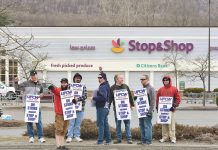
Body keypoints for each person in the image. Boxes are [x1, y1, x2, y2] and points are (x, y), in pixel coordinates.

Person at [15, 70, 45, 143]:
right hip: (27, 106)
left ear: (36, 75)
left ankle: (40, 137)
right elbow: (17, 88)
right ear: (30, 76)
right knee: (29, 122)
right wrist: (16, 82)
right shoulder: (26, 83)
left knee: (39, 122)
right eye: (32, 75)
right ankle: (31, 137)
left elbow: (41, 93)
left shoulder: (40, 84)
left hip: (37, 106)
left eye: (34, 75)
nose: (33, 76)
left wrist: (42, 95)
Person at [48, 78, 73, 150]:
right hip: (59, 113)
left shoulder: (69, 92)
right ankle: (58, 146)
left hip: (67, 113)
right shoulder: (58, 90)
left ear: (67, 84)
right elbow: (53, 89)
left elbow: (72, 100)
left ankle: (62, 145)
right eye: (62, 83)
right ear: (61, 83)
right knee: (59, 129)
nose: (64, 84)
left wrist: (74, 101)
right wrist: (51, 87)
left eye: (65, 83)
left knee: (64, 130)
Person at [109, 74, 134, 144]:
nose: (122, 79)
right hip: (117, 110)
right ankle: (118, 139)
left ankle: (129, 139)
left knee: (127, 124)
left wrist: (132, 105)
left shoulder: (125, 86)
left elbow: (130, 96)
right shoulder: (112, 88)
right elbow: (109, 99)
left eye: (122, 78)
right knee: (118, 124)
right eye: (121, 78)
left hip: (126, 109)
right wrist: (107, 107)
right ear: (116, 79)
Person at [156, 75, 181, 144]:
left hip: (171, 110)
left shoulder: (174, 89)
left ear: (169, 80)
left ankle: (173, 138)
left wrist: (174, 106)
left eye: (167, 80)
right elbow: (157, 99)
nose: (165, 81)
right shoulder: (160, 89)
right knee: (164, 125)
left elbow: (178, 98)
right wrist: (157, 108)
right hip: (163, 111)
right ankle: (164, 137)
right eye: (164, 80)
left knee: (171, 125)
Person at [66, 73, 87, 143]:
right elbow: (67, 94)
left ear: (80, 79)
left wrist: (78, 99)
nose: (78, 79)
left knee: (78, 123)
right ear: (74, 79)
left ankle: (77, 136)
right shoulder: (70, 86)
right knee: (71, 123)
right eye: (76, 78)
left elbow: (85, 96)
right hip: (71, 108)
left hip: (80, 108)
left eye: (79, 78)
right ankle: (69, 136)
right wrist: (72, 98)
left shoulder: (83, 86)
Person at [92, 72, 112, 145]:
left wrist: (94, 97)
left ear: (104, 78)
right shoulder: (106, 85)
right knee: (105, 124)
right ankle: (108, 140)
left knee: (100, 124)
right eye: (98, 78)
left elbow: (103, 97)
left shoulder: (103, 86)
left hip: (101, 107)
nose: (99, 79)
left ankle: (100, 141)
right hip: (105, 107)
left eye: (101, 78)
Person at [136, 75, 155, 145]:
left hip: (147, 111)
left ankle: (148, 141)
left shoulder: (151, 88)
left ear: (147, 79)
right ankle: (143, 140)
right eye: (141, 79)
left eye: (143, 79)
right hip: (141, 111)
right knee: (142, 125)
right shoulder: (142, 89)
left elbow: (153, 101)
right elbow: (137, 100)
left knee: (147, 126)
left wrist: (150, 110)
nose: (141, 81)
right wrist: (135, 97)